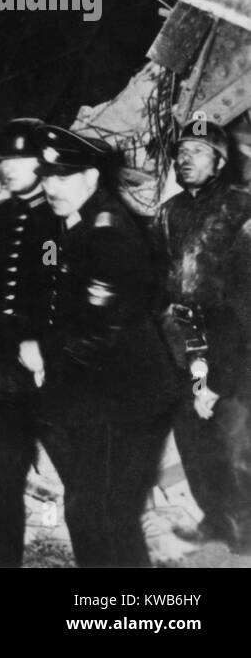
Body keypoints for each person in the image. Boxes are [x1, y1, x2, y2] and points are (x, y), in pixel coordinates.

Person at [31, 125, 176, 567]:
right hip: (104, 392)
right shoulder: (77, 223)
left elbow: (103, 332)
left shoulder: (108, 231)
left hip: (121, 396)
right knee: (98, 511)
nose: (50, 186)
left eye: (62, 176)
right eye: (46, 176)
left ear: (92, 176)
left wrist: (46, 367)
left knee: (99, 513)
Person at [0, 118, 60, 567]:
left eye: (20, 158)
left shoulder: (65, 218)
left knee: (90, 487)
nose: (9, 168)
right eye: (4, 160)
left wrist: (43, 343)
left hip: (54, 373)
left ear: (44, 161)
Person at [151, 118, 251, 552]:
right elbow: (155, 276)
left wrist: (226, 361)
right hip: (182, 342)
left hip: (233, 339)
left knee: (234, 436)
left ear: (220, 161)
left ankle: (246, 533)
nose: (184, 159)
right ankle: (217, 521)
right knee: (193, 434)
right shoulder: (169, 211)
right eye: (180, 152)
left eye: (196, 151)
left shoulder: (241, 207)